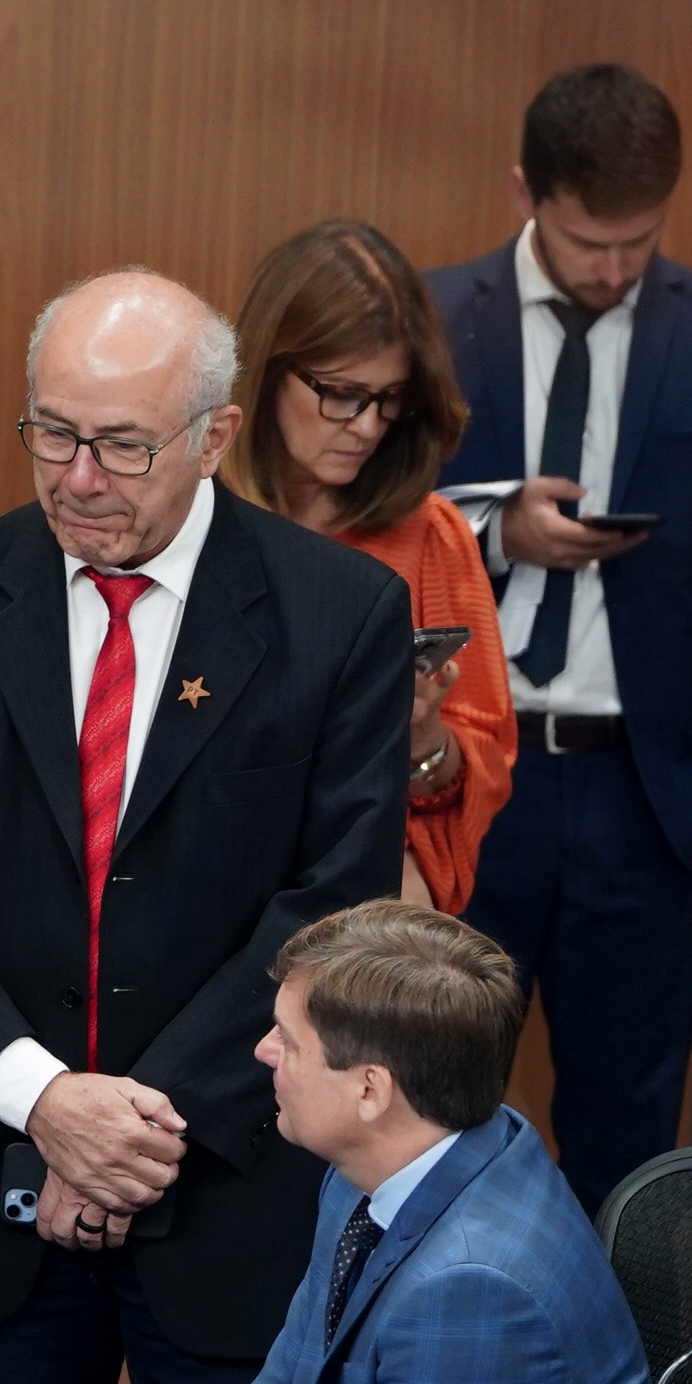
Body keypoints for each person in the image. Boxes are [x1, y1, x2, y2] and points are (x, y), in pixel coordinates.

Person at [0, 271, 411, 1384]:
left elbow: (331, 904)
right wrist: (47, 1104)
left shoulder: (340, 614)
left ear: (215, 435)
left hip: (229, 1193)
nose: (80, 477)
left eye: (122, 444)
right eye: (53, 433)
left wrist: (128, 1134)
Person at [429, 64, 692, 1214]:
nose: (613, 269)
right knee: (424, 1106)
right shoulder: (432, 319)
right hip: (464, 775)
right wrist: (497, 528)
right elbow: (355, 524)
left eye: (639, 241)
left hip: (646, 804)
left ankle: (618, 1338)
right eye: (588, 241)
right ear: (525, 193)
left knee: (631, 1136)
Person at [193, 903, 648, 1384]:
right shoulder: (371, 1170)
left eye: (289, 1040)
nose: (263, 1050)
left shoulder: (473, 1290)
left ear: (370, 1090)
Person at [222, 220, 516, 911]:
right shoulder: (189, 518)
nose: (367, 426)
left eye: (389, 399)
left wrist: (424, 740)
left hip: (364, 907)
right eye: (341, 393)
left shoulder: (431, 536)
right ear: (267, 372)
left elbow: (484, 761)